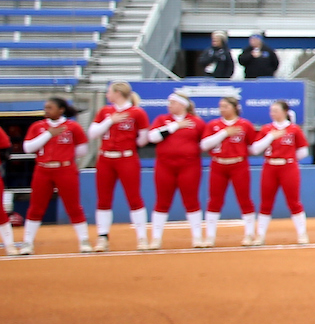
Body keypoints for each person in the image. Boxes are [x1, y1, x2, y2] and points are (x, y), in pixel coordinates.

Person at [15, 97, 91, 256]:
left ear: (61, 110)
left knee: (73, 206)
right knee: (36, 207)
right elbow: (28, 147)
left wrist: (66, 157)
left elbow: (82, 149)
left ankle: (84, 240)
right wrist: (49, 134)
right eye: (46, 107)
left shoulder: (72, 127)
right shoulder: (38, 126)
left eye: (50, 107)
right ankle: (28, 243)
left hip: (65, 169)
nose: (46, 110)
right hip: (43, 170)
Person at [139, 94, 206, 250]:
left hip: (189, 165)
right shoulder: (162, 120)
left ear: (182, 105)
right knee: (162, 201)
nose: (169, 105)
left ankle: (197, 237)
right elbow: (153, 137)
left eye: (173, 102)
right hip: (165, 165)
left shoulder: (196, 122)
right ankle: (156, 238)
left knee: (191, 200)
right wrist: (175, 126)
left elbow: (204, 142)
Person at [87, 82, 148, 251]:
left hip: (127, 158)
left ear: (118, 93)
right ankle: (102, 236)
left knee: (134, 197)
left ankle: (142, 237)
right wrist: (110, 121)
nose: (107, 95)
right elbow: (92, 133)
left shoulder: (137, 113)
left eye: (109, 92)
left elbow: (143, 138)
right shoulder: (105, 112)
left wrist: (127, 146)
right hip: (106, 159)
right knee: (103, 198)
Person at [197, 94, 259, 247]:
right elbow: (204, 145)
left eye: (226, 106)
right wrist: (225, 133)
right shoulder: (213, 125)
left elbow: (254, 146)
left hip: (239, 164)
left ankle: (249, 234)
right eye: (221, 106)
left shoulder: (245, 125)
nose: (222, 109)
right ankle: (210, 236)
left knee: (244, 198)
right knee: (214, 200)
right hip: (218, 164)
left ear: (235, 108)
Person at [247, 100, 309, 243]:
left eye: (276, 110)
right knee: (266, 202)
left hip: (288, 167)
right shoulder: (266, 129)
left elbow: (303, 151)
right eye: (271, 111)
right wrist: (270, 137)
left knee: (294, 201)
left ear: (285, 112)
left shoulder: (294, 129)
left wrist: (289, 159)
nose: (272, 113)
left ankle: (302, 233)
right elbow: (255, 149)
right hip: (270, 166)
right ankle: (260, 235)